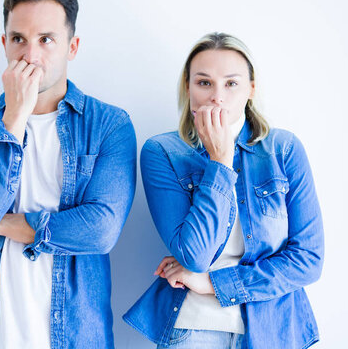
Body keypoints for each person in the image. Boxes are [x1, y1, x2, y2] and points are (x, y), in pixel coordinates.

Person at [0, 0, 136, 349]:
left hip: (79, 337)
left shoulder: (110, 125)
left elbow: (101, 231)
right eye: (19, 39)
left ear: (72, 46)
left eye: (46, 40)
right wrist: (14, 118)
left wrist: (3, 226)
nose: (30, 55)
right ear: (4, 43)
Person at [123, 32, 323, 348]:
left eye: (231, 83)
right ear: (188, 88)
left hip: (275, 331)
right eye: (204, 83)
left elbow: (308, 259)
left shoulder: (284, 149)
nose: (217, 96)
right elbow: (194, 256)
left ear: (251, 89)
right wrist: (220, 162)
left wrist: (215, 284)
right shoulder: (163, 151)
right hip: (193, 331)